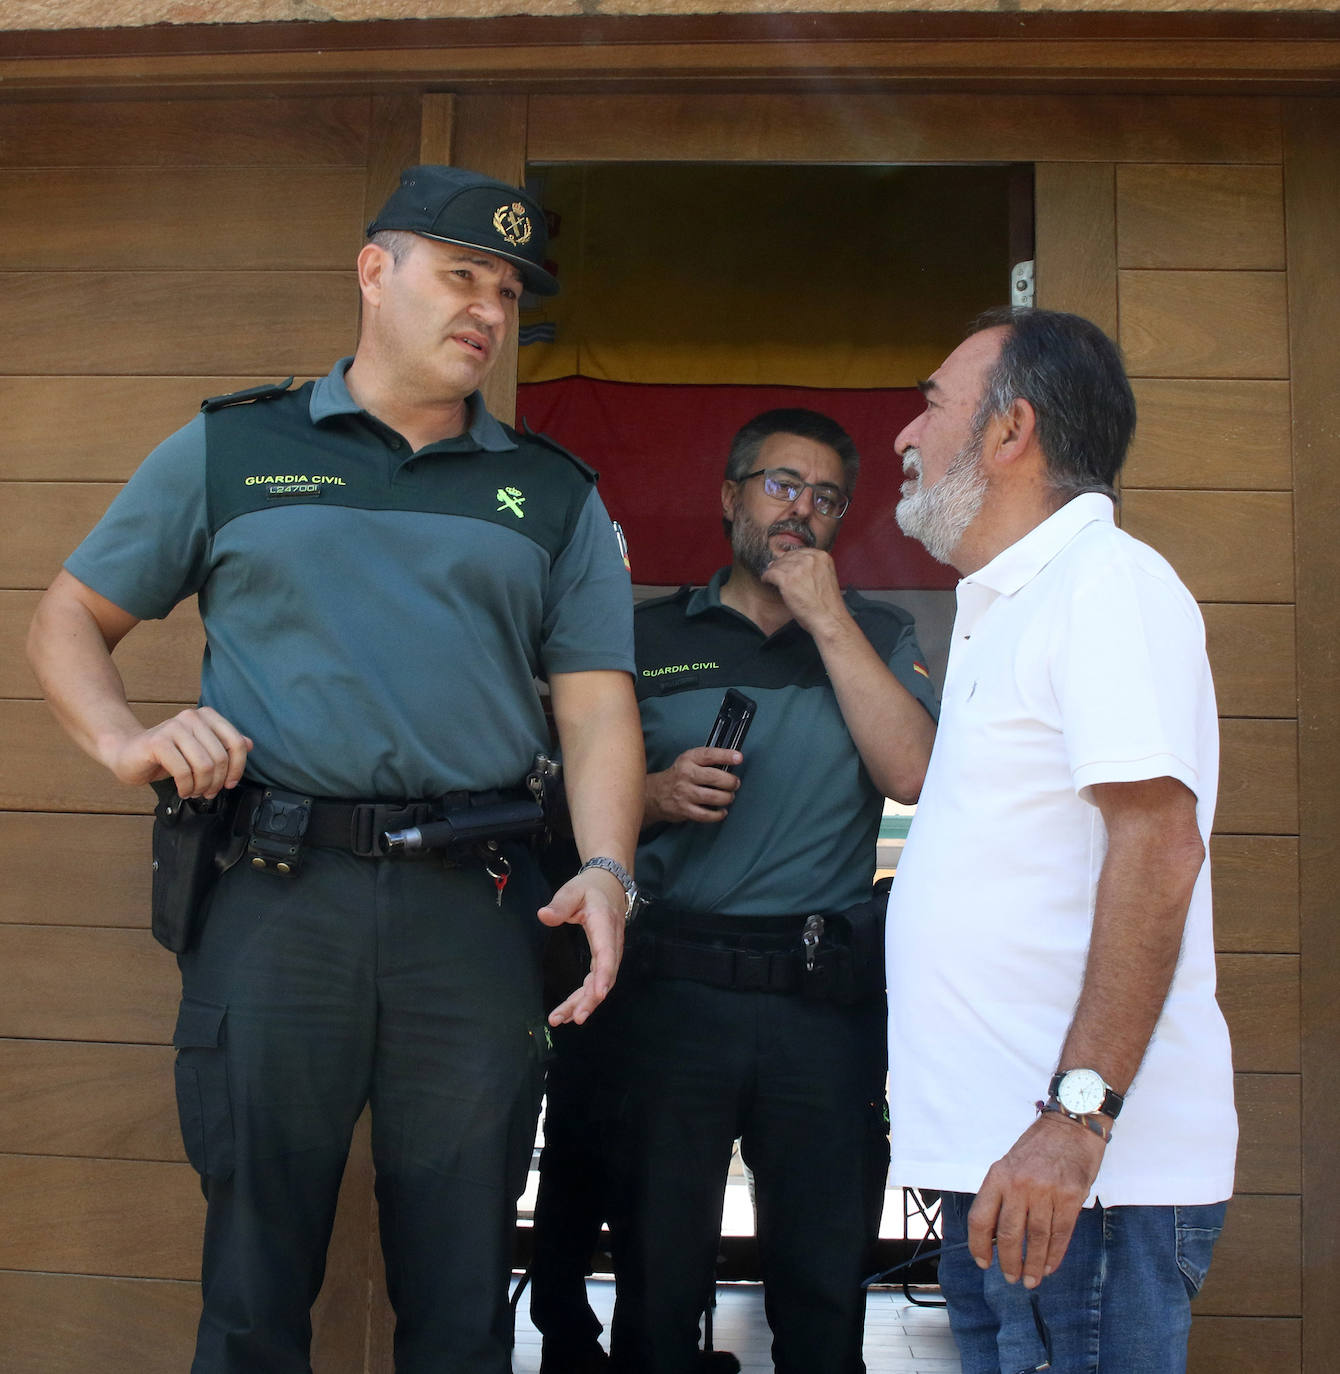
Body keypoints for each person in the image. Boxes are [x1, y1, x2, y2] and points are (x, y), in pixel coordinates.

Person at [26, 164, 644, 1374]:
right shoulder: (232, 448)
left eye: (508, 293)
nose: (487, 310)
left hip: (473, 911)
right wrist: (121, 738)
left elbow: (598, 714)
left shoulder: (553, 495)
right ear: (376, 271)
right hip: (273, 895)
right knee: (253, 1286)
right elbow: (66, 619)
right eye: (461, 275)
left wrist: (613, 865)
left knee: (463, 1287)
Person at [886, 307, 1236, 1373]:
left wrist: (1075, 1119)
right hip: (1010, 1176)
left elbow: (1157, 846)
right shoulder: (1011, 608)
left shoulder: (1105, 588)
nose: (904, 436)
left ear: (1008, 433)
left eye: (931, 404)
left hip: (1077, 1185)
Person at [606, 409, 939, 1374]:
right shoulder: (647, 633)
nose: (804, 510)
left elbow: (915, 773)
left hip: (818, 999)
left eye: (828, 497)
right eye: (783, 485)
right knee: (657, 1278)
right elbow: (570, 789)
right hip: (675, 990)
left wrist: (827, 615)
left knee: (824, 1285)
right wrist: (654, 798)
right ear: (730, 495)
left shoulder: (875, 630)